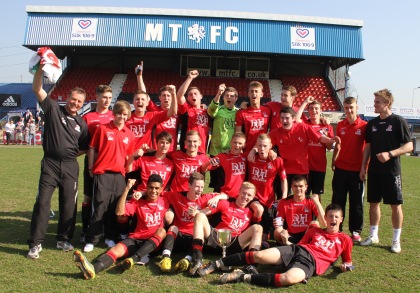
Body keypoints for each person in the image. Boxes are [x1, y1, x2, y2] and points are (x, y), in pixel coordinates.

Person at [27, 63, 89, 259]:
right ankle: (36, 244)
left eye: (79, 102)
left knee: (69, 205)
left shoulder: (82, 123)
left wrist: (69, 155)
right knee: (43, 203)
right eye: (73, 99)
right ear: (68, 98)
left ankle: (63, 239)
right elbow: (37, 89)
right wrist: (39, 68)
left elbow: (85, 147)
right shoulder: (54, 109)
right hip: (50, 164)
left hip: (70, 167)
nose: (75, 103)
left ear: (83, 103)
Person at [210, 204, 354, 287]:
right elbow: (300, 244)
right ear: (326, 218)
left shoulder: (345, 239)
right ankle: (217, 263)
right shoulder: (314, 230)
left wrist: (345, 266)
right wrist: (287, 241)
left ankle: (242, 277)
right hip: (297, 250)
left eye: (336, 217)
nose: (333, 219)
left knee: (287, 279)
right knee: (259, 255)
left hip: (310, 263)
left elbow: (348, 261)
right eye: (330, 216)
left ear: (341, 219)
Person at [73, 175, 170, 280]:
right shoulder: (137, 201)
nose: (153, 191)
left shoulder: (165, 200)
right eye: (151, 187)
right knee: (115, 250)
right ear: (146, 187)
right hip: (135, 240)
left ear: (161, 189)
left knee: (162, 231)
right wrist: (127, 189)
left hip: (152, 244)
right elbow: (119, 212)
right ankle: (92, 269)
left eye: (156, 188)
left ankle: (133, 259)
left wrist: (142, 192)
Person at [360, 89, 413, 253]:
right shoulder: (372, 124)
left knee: (395, 205)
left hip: (392, 171)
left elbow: (409, 146)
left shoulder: (398, 121)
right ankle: (373, 235)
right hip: (374, 171)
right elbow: (367, 147)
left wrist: (390, 154)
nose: (374, 104)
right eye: (374, 101)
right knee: (373, 202)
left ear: (387, 103)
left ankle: (396, 240)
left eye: (377, 102)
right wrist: (363, 166)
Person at [83, 100, 135, 253]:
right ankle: (92, 239)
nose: (122, 117)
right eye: (119, 113)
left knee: (114, 207)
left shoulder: (129, 134)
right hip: (102, 172)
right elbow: (92, 148)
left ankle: (109, 237)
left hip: (119, 175)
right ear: (114, 113)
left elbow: (129, 157)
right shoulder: (103, 129)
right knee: (99, 206)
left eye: (125, 114)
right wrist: (90, 167)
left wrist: (128, 172)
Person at [157, 172, 228, 273]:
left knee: (200, 236)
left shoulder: (205, 198)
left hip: (193, 238)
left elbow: (227, 196)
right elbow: (159, 193)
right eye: (197, 187)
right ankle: (166, 258)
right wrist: (141, 193)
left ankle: (187, 260)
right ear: (189, 185)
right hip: (178, 237)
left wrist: (217, 198)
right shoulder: (177, 196)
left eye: (202, 187)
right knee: (173, 228)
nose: (200, 190)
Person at [191, 182, 263, 276]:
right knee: (199, 216)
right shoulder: (225, 204)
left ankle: (251, 265)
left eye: (249, 195)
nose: (245, 196)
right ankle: (197, 260)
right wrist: (195, 211)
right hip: (216, 239)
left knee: (258, 228)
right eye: (243, 193)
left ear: (253, 197)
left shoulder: (250, 212)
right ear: (239, 192)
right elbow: (202, 212)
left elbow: (259, 213)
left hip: (235, 243)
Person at [267, 106, 337, 194]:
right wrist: (269, 150)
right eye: (282, 118)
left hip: (301, 170)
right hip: (283, 170)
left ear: (293, 118)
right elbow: (264, 143)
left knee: (301, 197)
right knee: (283, 197)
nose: (284, 121)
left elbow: (320, 138)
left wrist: (332, 140)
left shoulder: (303, 128)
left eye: (287, 118)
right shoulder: (275, 133)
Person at [80, 85, 114, 243]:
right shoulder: (88, 117)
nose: (106, 100)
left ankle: (105, 230)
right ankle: (85, 228)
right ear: (97, 97)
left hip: (109, 162)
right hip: (93, 161)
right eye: (104, 97)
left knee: (105, 198)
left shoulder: (115, 117)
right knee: (88, 197)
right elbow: (83, 142)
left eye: (109, 97)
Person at [331, 97, 367, 242]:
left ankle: (356, 230)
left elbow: (367, 149)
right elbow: (338, 145)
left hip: (357, 171)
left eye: (351, 107)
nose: (349, 110)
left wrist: (365, 167)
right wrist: (334, 160)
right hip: (341, 169)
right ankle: (337, 228)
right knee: (338, 201)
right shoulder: (340, 125)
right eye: (346, 108)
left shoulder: (364, 126)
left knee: (356, 202)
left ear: (356, 107)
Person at [246, 134, 287, 240]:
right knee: (257, 210)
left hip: (268, 200)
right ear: (256, 146)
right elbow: (235, 153)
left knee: (264, 237)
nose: (262, 148)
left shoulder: (277, 160)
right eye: (259, 146)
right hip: (252, 198)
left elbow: (283, 180)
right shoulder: (251, 157)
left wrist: (284, 197)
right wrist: (251, 150)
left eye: (265, 146)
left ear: (270, 146)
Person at [136, 62, 179, 151]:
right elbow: (144, 94)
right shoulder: (154, 110)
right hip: (156, 149)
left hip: (172, 150)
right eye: (163, 95)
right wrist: (139, 76)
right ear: (159, 97)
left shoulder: (177, 111)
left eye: (168, 95)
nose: (166, 98)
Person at [273, 175, 326, 245]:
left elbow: (324, 223)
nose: (298, 189)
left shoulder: (311, 201)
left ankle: (296, 247)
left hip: (306, 234)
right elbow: (279, 223)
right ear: (291, 187)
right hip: (290, 235)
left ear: (306, 187)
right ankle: (287, 245)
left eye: (301, 186)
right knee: (277, 231)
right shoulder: (284, 202)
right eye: (295, 186)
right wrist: (278, 225)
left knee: (315, 223)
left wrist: (317, 203)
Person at [300, 98, 335, 201]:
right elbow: (296, 117)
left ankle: (316, 216)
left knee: (316, 196)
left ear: (320, 110)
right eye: (311, 108)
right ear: (308, 110)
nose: (314, 111)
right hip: (305, 167)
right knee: (303, 194)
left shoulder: (327, 126)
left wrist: (327, 135)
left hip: (319, 166)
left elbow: (329, 147)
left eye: (316, 108)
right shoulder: (304, 124)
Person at [126, 86, 177, 151]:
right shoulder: (126, 117)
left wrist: (173, 94)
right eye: (137, 99)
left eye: (143, 99)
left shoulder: (153, 116)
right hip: (130, 155)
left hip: (147, 155)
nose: (140, 101)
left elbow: (173, 112)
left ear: (147, 103)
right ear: (133, 102)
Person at [207, 84, 239, 190]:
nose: (229, 97)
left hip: (231, 153)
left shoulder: (239, 113)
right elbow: (210, 110)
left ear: (236, 98)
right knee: (216, 184)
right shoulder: (218, 110)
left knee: (228, 182)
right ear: (224, 97)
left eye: (231, 96)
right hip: (216, 152)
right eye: (227, 95)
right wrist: (218, 94)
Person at [176, 70, 210, 154]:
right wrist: (190, 78)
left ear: (201, 96)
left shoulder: (207, 111)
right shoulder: (186, 109)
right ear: (187, 98)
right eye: (190, 94)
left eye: (195, 93)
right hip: (187, 148)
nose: (193, 96)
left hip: (202, 149)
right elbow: (179, 96)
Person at [235, 81, 271, 155]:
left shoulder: (268, 110)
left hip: (263, 151)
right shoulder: (241, 113)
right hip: (247, 151)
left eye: (256, 91)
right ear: (248, 94)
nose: (254, 93)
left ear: (261, 94)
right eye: (252, 91)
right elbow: (238, 134)